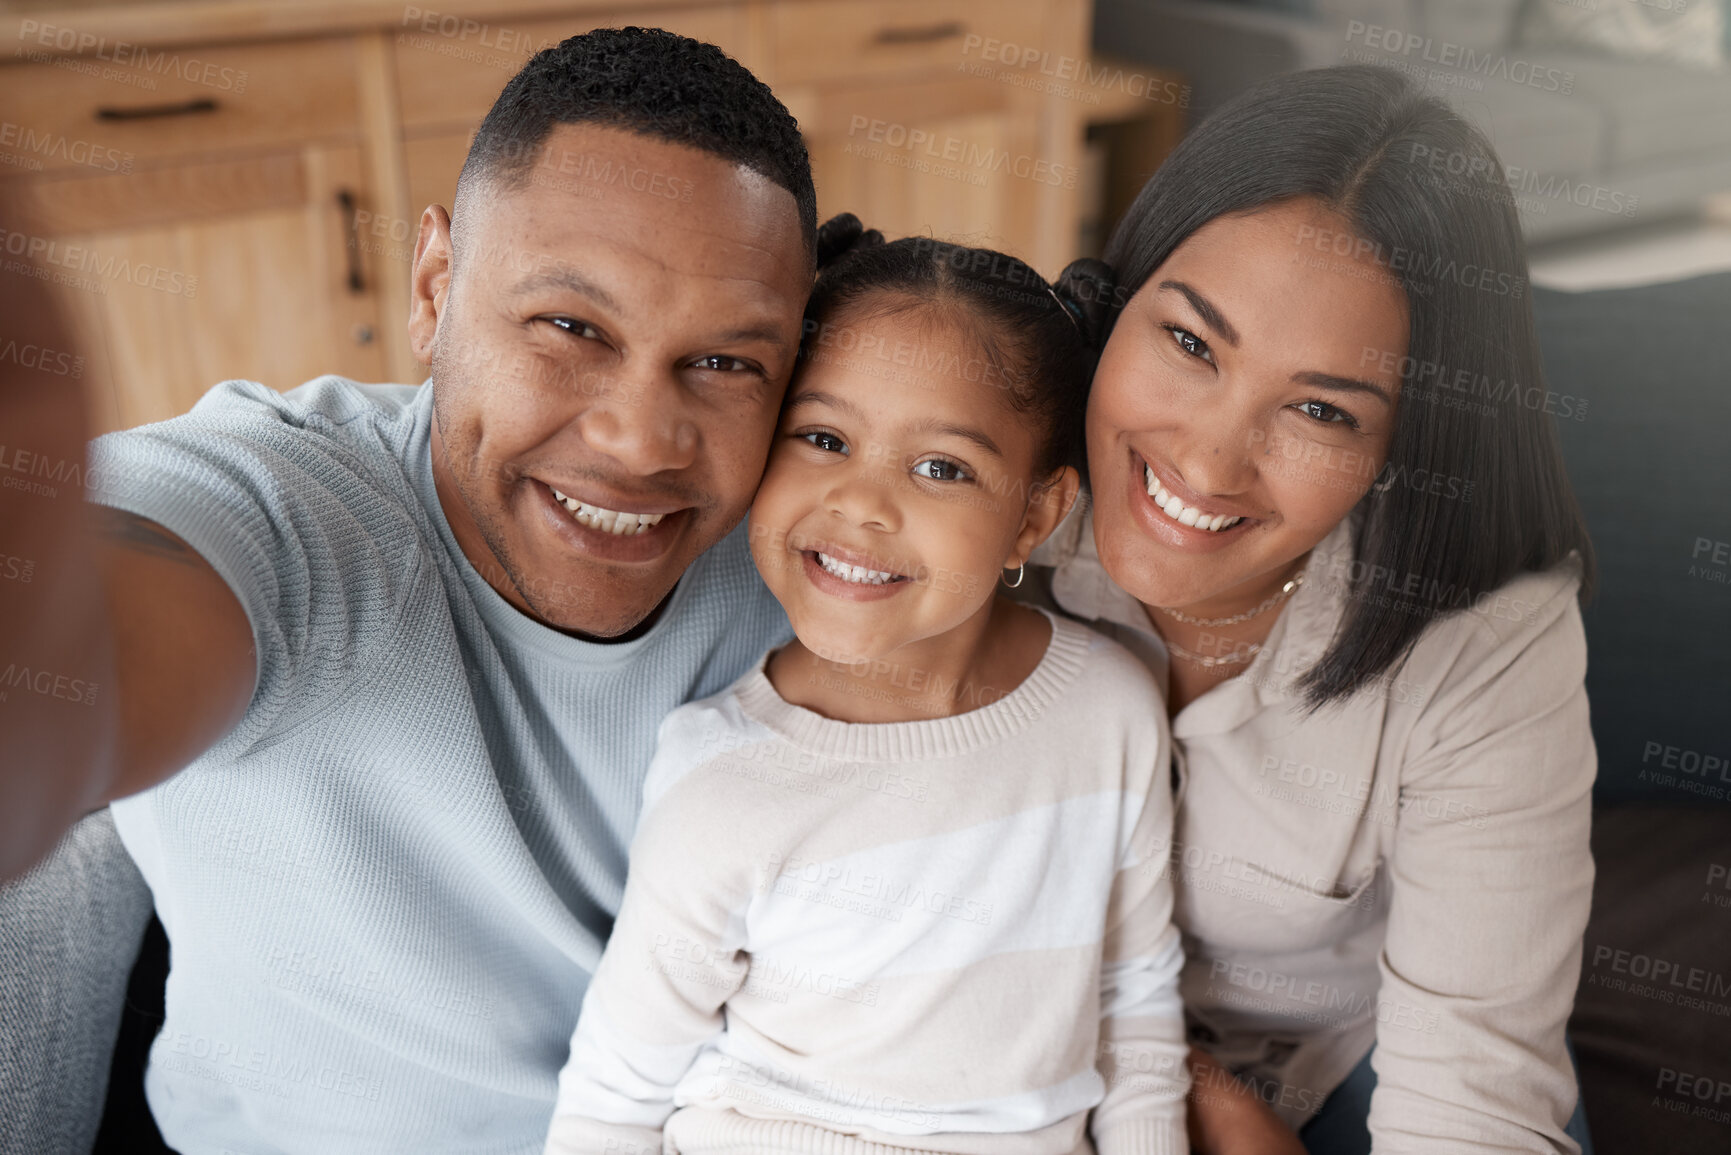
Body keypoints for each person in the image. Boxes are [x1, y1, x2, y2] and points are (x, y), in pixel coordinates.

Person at [0, 27, 819, 1154]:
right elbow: (56, 702)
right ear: (435, 286)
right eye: (570, 328)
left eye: (726, 362)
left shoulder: (809, 554)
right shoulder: (286, 507)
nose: (641, 441)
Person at [1029, 66, 1598, 1154]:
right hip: (1038, 1041)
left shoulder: (1484, 639)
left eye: (1321, 410)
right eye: (1189, 343)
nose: (1208, 456)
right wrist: (1179, 1081)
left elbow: (1468, 1112)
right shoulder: (981, 473)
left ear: (1403, 449)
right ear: (1119, 297)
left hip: (1350, 1069)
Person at [544, 218, 1189, 1155]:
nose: (861, 502)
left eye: (941, 467)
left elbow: (1136, 1004)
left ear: (1036, 514)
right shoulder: (722, 783)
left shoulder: (1111, 712)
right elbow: (611, 1101)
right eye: (822, 436)